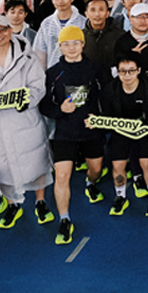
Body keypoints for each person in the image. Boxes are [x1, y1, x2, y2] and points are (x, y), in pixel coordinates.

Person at [0, 15, 52, 229]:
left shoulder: (28, 58)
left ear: (10, 30)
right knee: (2, 167)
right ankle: (13, 205)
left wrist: (25, 101)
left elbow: (38, 86)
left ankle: (40, 202)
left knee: (36, 162)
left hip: (24, 120)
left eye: (2, 29)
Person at [39, 25, 106, 245]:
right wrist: (60, 110)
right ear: (60, 47)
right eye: (66, 44)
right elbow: (44, 105)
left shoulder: (95, 68)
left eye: (75, 43)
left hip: (91, 130)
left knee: (96, 169)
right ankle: (65, 219)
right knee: (62, 176)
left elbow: (106, 96)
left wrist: (99, 118)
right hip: (64, 132)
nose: (71, 47)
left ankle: (91, 183)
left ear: (83, 45)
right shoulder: (53, 73)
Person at [101, 54, 148, 218]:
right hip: (121, 130)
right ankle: (121, 196)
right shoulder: (110, 90)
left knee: (146, 163)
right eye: (123, 71)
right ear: (118, 72)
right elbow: (106, 115)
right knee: (118, 165)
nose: (127, 75)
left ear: (138, 71)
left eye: (131, 71)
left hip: (143, 128)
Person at [34, 0, 87, 68]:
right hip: (53, 71)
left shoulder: (83, 22)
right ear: (52, 0)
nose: (60, 1)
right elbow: (40, 53)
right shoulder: (46, 23)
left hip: (79, 70)